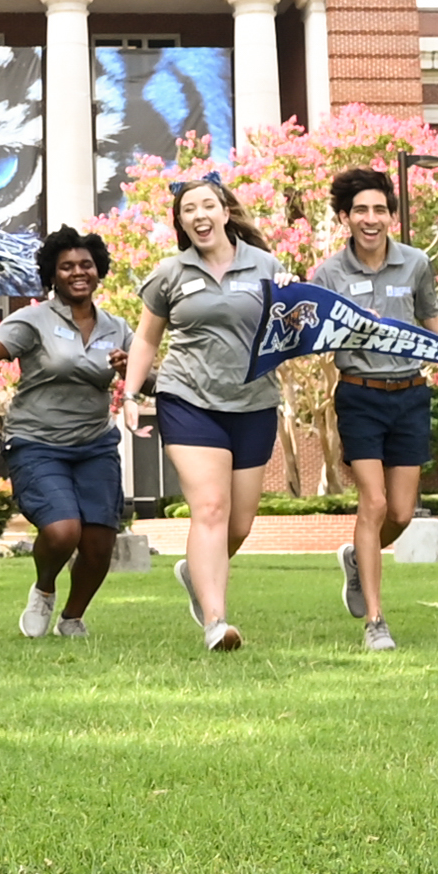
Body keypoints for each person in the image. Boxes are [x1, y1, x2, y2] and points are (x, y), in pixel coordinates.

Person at [308, 167, 438, 652]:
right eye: (360, 210)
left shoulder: (415, 263)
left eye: (379, 209)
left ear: (391, 216)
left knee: (400, 511)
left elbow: (432, 315)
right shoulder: (330, 273)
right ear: (345, 217)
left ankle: (358, 557)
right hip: (359, 394)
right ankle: (376, 621)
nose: (371, 218)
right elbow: (315, 335)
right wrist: (349, 326)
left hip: (410, 394)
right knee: (374, 503)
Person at [121, 175, 284, 653]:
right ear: (181, 223)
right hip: (188, 399)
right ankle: (216, 621)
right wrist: (130, 394)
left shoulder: (267, 266)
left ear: (225, 212)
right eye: (188, 210)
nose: (198, 215)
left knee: (239, 523)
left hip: (254, 403)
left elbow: (290, 328)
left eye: (207, 205)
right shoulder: (171, 272)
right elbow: (146, 338)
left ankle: (197, 572)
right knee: (210, 508)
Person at [0, 225, 131, 640]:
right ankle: (43, 589)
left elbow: (147, 380)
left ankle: (72, 618)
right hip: (37, 442)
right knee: (62, 532)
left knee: (99, 544)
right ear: (52, 275)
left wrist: (132, 369)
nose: (78, 272)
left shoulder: (116, 327)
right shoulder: (34, 319)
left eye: (86, 265)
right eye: (67, 266)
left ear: (98, 270)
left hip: (95, 444)